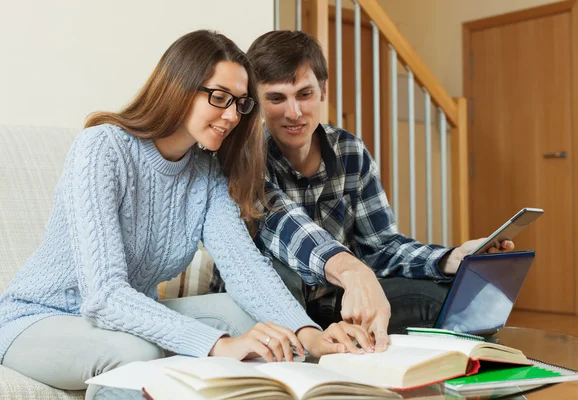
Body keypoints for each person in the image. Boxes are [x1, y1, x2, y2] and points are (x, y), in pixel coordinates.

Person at [0, 30, 371, 399]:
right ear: (179, 87)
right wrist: (216, 344)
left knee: (250, 319)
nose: (230, 116)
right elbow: (104, 296)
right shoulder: (102, 148)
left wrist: (311, 336)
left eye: (239, 104)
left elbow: (245, 268)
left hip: (129, 319)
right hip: (39, 318)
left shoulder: (205, 172)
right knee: (136, 354)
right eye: (219, 97)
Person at [210, 30, 514, 351]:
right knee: (282, 273)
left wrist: (450, 259)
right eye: (276, 98)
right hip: (270, 304)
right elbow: (286, 226)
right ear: (256, 101)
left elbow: (381, 247)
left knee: (443, 300)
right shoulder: (245, 155)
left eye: (304, 94)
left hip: (335, 303)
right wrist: (353, 271)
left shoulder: (350, 151)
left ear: (323, 91)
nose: (294, 112)